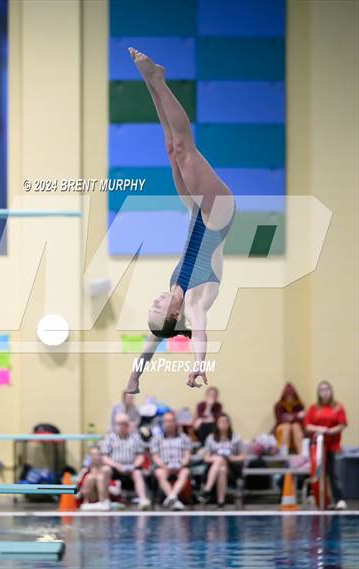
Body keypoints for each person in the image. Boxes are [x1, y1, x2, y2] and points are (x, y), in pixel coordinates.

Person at [125, 48, 235, 394]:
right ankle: (157, 80)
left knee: (172, 148)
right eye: (158, 309)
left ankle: (151, 81)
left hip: (194, 210)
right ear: (173, 317)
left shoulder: (173, 297)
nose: (154, 301)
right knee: (185, 149)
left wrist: (135, 376)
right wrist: (198, 365)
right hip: (217, 214)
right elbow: (199, 331)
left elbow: (150, 342)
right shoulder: (195, 302)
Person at [304, 381, 347, 510]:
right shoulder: (314, 408)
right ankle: (315, 496)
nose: (325, 392)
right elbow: (307, 425)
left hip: (332, 445)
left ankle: (339, 499)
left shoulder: (338, 407)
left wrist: (329, 431)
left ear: (331, 391)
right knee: (316, 470)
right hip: (317, 445)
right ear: (318, 393)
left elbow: (342, 424)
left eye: (327, 389)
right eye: (322, 390)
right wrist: (319, 428)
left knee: (333, 473)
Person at [101, 413, 150, 510]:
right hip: (114, 468)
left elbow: (141, 456)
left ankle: (143, 499)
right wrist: (116, 465)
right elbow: (104, 457)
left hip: (131, 468)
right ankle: (105, 500)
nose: (122, 426)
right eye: (119, 424)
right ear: (115, 425)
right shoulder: (110, 438)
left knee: (138, 473)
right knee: (105, 470)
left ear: (128, 425)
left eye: (124, 424)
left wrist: (134, 466)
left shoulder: (136, 438)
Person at [198, 413, 244, 508]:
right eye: (221, 422)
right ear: (217, 424)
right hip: (214, 468)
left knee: (221, 461)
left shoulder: (236, 438)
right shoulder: (210, 438)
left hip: (231, 468)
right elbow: (206, 457)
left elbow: (242, 456)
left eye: (225, 422)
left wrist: (232, 458)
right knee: (221, 467)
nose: (223, 424)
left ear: (229, 424)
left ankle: (207, 489)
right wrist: (216, 458)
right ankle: (221, 501)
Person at [150, 411, 191, 510]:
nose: (168, 423)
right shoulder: (156, 438)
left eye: (171, 421)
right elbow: (155, 456)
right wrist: (164, 466)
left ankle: (171, 497)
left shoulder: (184, 438)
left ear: (175, 422)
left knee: (185, 472)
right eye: (166, 421)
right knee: (159, 473)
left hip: (179, 466)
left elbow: (187, 455)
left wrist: (181, 465)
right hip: (164, 467)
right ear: (163, 423)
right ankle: (173, 499)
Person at [273, 383, 305, 455]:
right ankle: (284, 454)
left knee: (295, 426)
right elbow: (280, 420)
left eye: (291, 396)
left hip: (296, 429)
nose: (289, 398)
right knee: (287, 426)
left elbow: (302, 419)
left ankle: (301, 454)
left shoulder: (299, 405)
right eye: (287, 396)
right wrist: (296, 416)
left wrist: (290, 417)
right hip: (283, 428)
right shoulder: (278, 405)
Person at [79, 446, 111, 511]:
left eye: (96, 454)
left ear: (101, 456)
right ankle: (86, 502)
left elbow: (109, 487)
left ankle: (103, 502)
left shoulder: (106, 469)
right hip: (91, 497)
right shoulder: (86, 470)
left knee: (100, 477)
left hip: (104, 496)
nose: (94, 457)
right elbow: (80, 486)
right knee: (89, 477)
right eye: (92, 455)